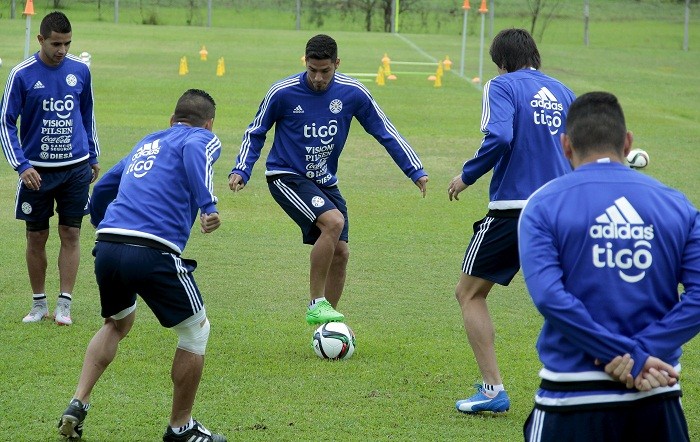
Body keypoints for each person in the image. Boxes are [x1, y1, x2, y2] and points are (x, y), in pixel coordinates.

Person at [519, 91, 700, 441]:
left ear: (566, 145)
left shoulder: (541, 205)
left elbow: (550, 298)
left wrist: (625, 354)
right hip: (656, 400)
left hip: (570, 402)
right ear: (628, 143)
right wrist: (643, 351)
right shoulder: (678, 205)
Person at [57, 89, 226, 442]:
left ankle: (78, 401)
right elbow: (197, 150)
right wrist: (208, 205)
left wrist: (105, 225)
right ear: (208, 124)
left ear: (171, 119)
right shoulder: (202, 138)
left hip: (108, 246)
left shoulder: (147, 141)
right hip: (152, 250)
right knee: (196, 331)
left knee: (118, 322)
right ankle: (181, 427)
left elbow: (103, 188)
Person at [228, 34, 428, 326]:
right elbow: (256, 131)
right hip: (286, 175)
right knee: (334, 222)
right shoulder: (282, 93)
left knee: (341, 253)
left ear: (337, 63)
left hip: (324, 180)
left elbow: (384, 130)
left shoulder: (353, 93)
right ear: (305, 63)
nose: (318, 78)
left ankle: (326, 325)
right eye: (313, 70)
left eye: (325, 71)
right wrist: (242, 169)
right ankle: (316, 303)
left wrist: (415, 169)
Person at [447, 28, 575, 413]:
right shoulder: (565, 92)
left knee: (469, 293)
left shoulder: (501, 86)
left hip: (515, 210)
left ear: (501, 64)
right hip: (564, 208)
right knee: (574, 295)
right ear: (534, 55)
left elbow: (500, 137)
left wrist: (467, 175)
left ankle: (492, 391)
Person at [0, 11, 100, 326]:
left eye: (67, 43)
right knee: (36, 237)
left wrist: (93, 154)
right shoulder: (21, 74)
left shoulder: (81, 71)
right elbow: (5, 123)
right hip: (36, 174)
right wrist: (21, 165)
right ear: (41, 39)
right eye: (56, 44)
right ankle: (39, 304)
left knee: (71, 232)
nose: (62, 50)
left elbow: (87, 114)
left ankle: (65, 306)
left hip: (75, 169)